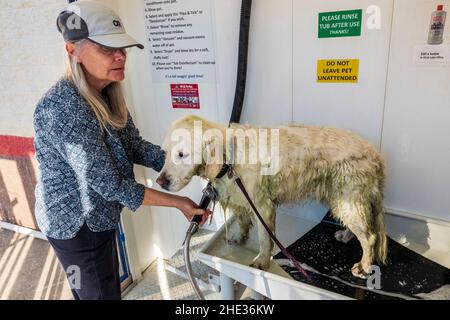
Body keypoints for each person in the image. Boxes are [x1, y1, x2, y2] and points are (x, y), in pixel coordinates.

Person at [33, 0, 210, 300]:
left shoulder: (107, 92)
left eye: (123, 48)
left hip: (101, 217)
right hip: (75, 227)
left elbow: (135, 146)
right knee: (98, 294)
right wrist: (179, 202)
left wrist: (190, 163)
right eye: (107, 48)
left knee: (104, 287)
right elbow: (113, 185)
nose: (120, 56)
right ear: (72, 50)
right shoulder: (63, 108)